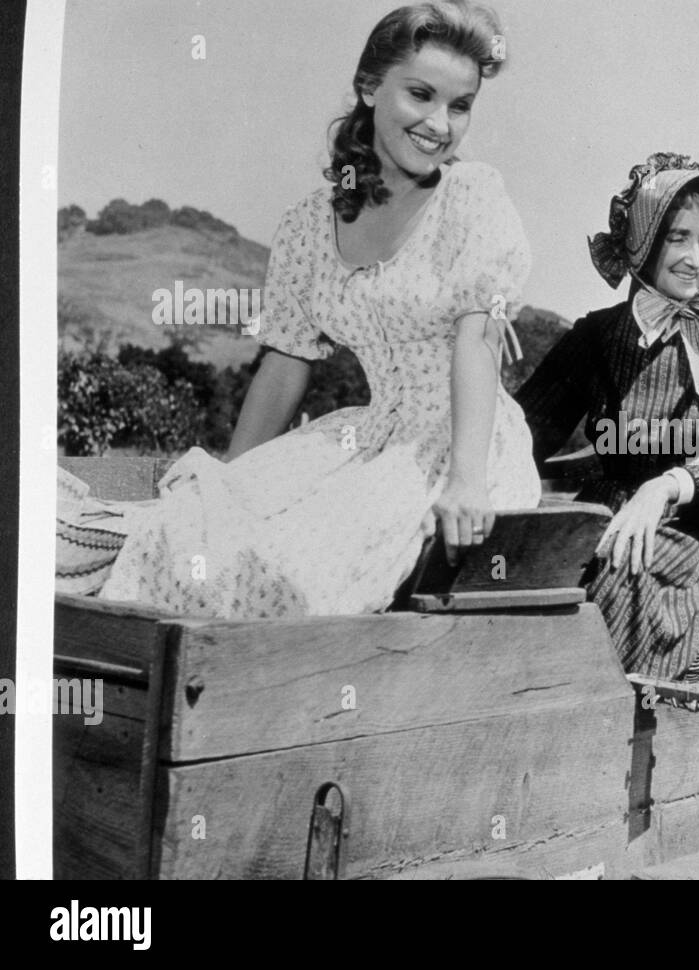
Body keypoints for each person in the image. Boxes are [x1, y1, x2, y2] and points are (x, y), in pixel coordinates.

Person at [56, 1, 539, 617]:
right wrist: (230, 482)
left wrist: (466, 482)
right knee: (195, 529)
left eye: (461, 105)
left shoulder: (474, 199)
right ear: (369, 87)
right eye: (421, 95)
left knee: (297, 568)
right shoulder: (310, 226)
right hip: (366, 438)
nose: (439, 123)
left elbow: (479, 342)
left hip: (467, 446)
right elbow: (285, 366)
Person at [516, 153, 699, 681]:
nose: (696, 259)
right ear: (642, 241)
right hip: (606, 511)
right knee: (516, 565)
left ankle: (613, 733)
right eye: (678, 237)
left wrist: (665, 487)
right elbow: (524, 431)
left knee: (618, 572)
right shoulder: (597, 335)